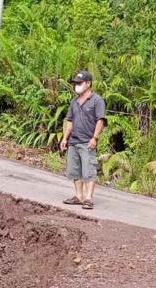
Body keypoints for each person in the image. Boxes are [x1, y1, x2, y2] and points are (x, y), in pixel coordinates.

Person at [60, 71, 106, 210]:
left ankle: (88, 198)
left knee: (89, 170)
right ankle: (79, 196)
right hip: (74, 141)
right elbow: (70, 121)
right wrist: (65, 138)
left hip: (87, 141)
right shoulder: (74, 102)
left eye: (80, 83)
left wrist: (95, 138)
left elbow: (100, 121)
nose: (77, 86)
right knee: (75, 170)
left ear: (88, 83)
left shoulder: (97, 100)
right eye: (76, 83)